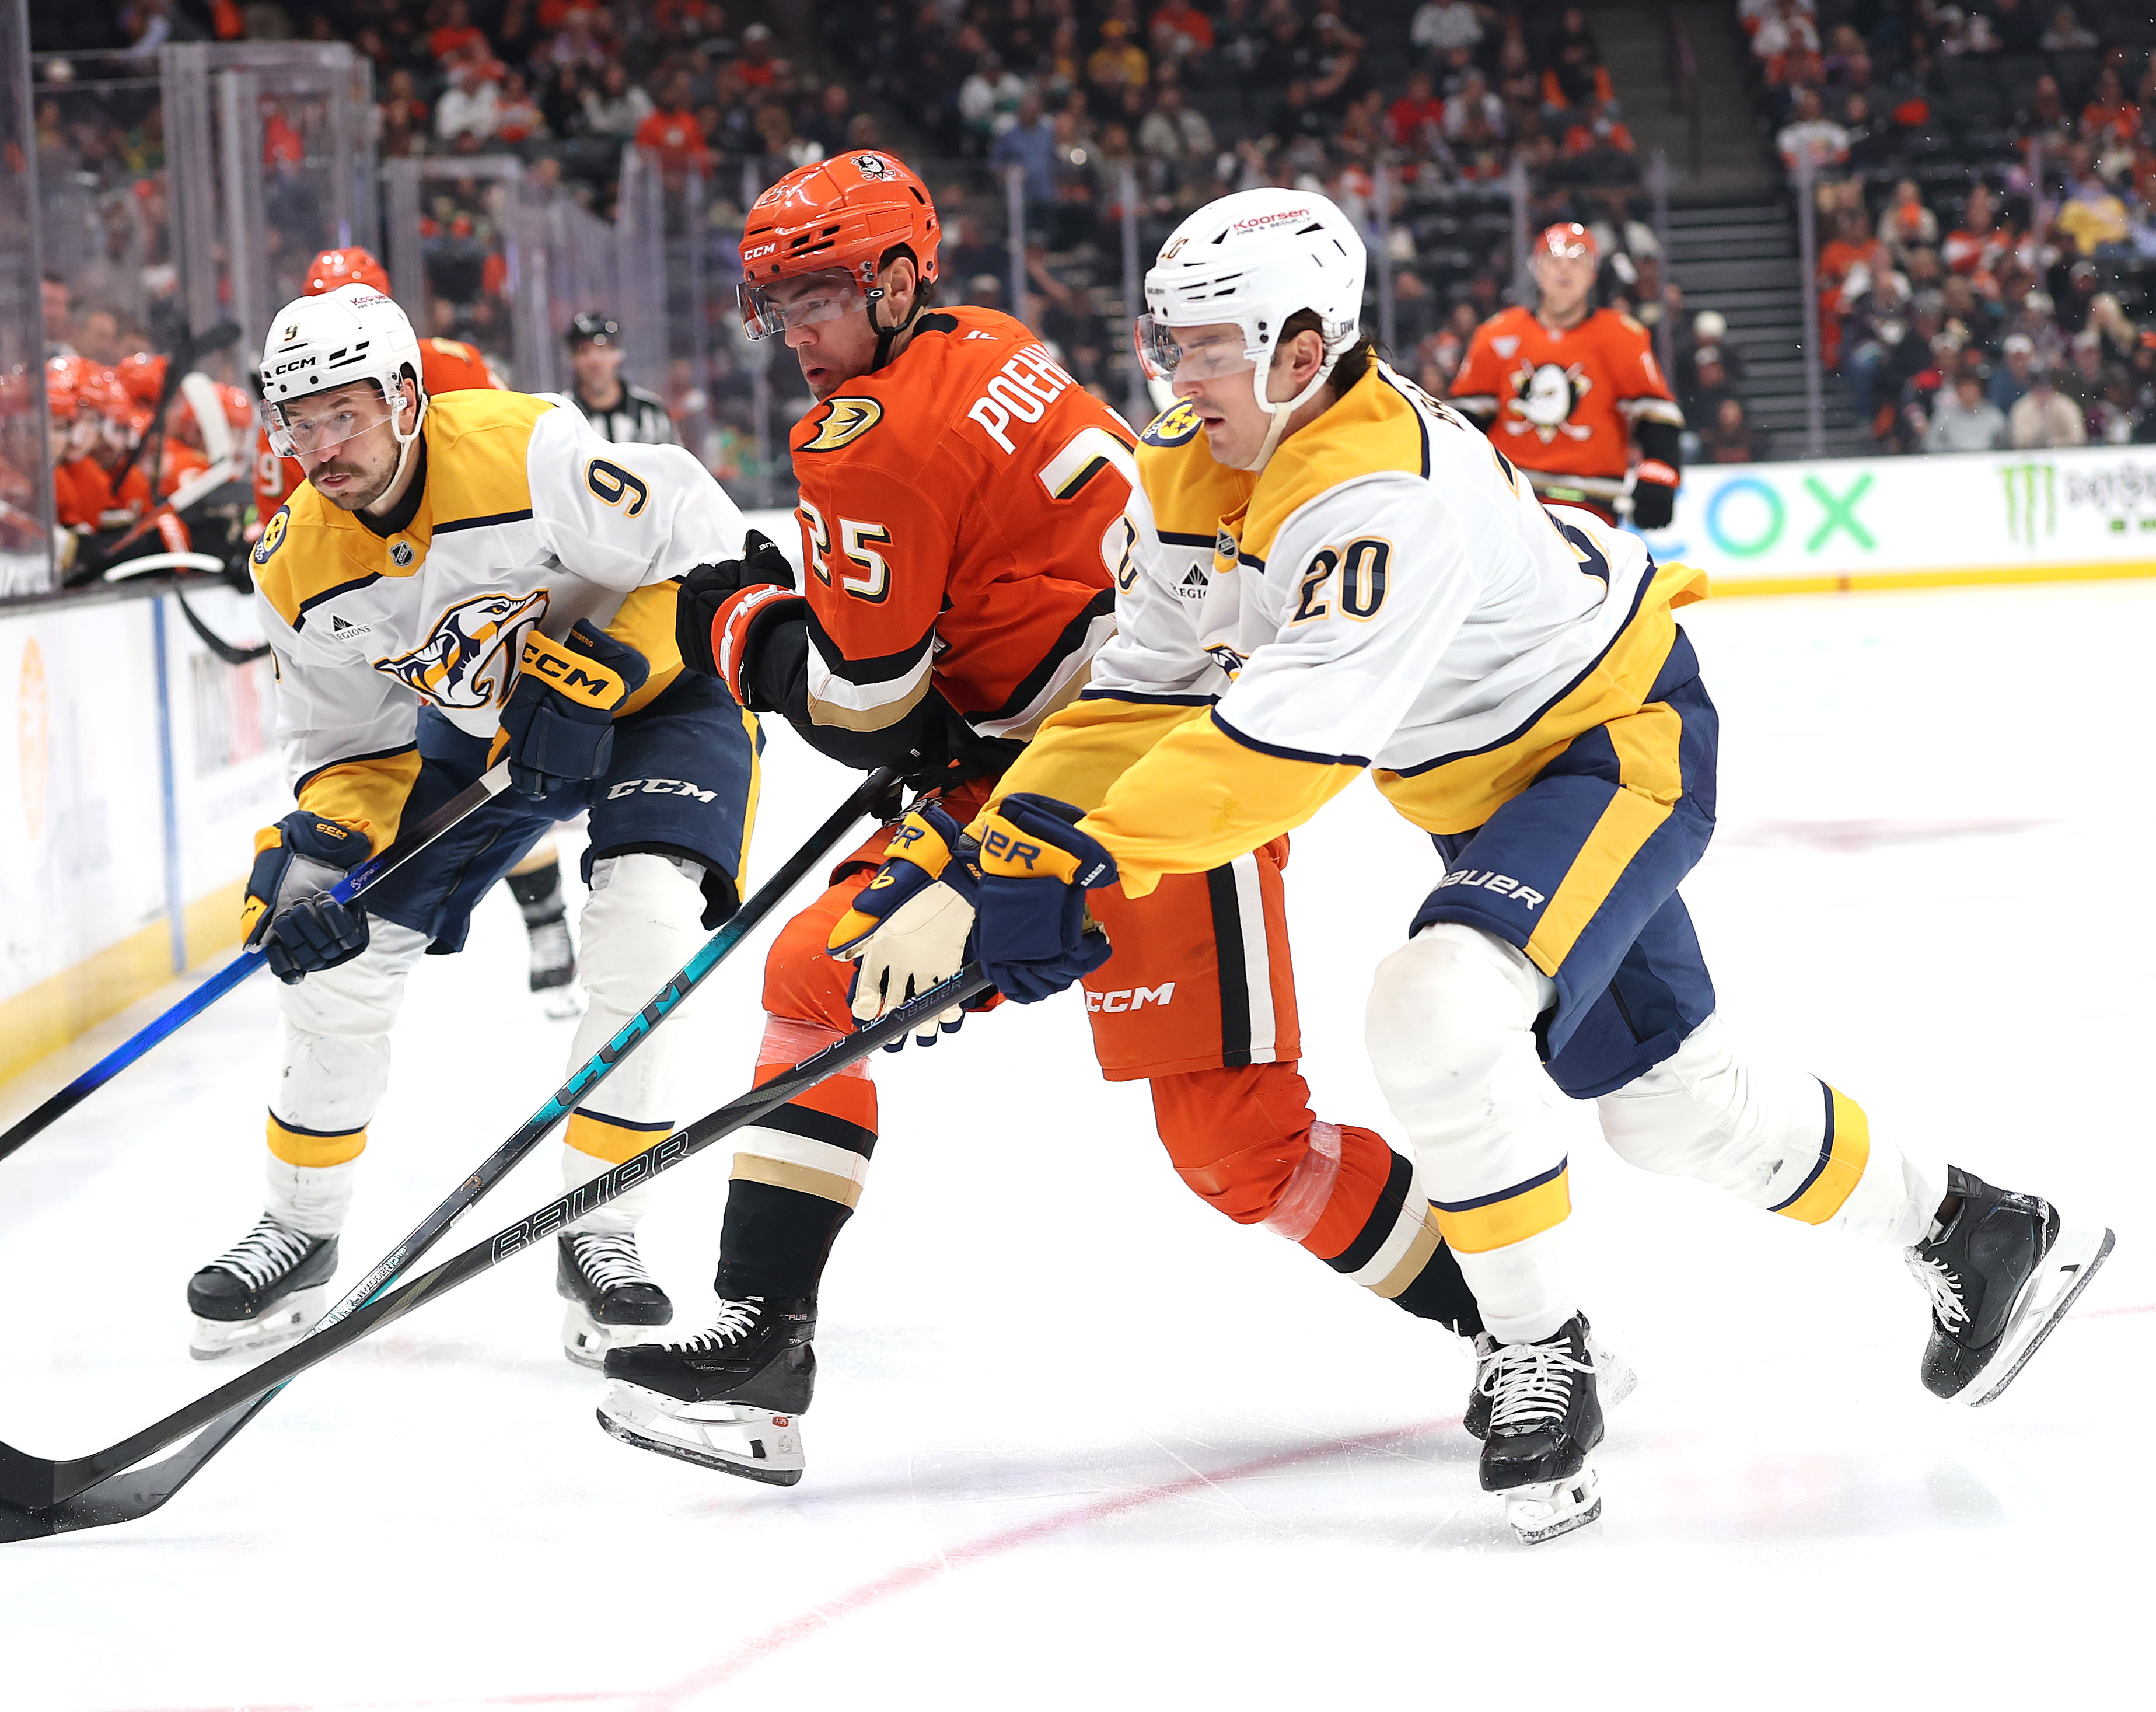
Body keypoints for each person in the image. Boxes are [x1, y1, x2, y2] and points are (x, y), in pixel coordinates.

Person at [937, 189, 2111, 1542]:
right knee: (1673, 1110)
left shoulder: (1376, 489)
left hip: (1608, 743)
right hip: (1490, 786)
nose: (1172, 374)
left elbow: (1280, 750)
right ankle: (1974, 1229)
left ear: (1301, 352)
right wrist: (1006, 851)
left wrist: (1087, 867)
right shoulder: (1193, 463)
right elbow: (1144, 689)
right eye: (1168, 343)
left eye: (1203, 347)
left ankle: (1542, 1351)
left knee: (1430, 1007)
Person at [599, 152, 1484, 1487]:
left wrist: (736, 620)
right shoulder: (989, 340)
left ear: (898, 281)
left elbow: (859, 706)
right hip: (1030, 765)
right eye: (776, 304)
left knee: (1238, 1146)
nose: (794, 332)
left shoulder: (864, 436)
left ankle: (1520, 1318)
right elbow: (993, 618)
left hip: (1161, 779)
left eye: (818, 297)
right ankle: (764, 1340)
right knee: (814, 979)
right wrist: (943, 715)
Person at [194, 282, 763, 1372]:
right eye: (298, 422)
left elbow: (706, 549)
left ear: (407, 397)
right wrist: (316, 856)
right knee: (338, 956)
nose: (322, 447)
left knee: (645, 924)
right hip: (493, 732)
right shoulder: (294, 563)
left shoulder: (525, 449)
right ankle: (300, 1228)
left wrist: (617, 666)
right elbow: (351, 751)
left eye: (344, 413)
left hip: (665, 697)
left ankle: (602, 1230)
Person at [1449, 221, 1685, 529]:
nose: (1565, 271)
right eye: (1555, 261)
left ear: (1592, 273)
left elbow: (1657, 416)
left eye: (1577, 262)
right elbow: (1464, 420)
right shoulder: (1496, 333)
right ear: (1537, 269)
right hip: (1511, 500)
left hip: (1594, 505)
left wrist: (1658, 475)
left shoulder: (1623, 336)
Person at [251, 246, 506, 530]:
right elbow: (277, 522)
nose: (326, 451)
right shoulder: (290, 414)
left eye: (344, 417)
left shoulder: (455, 365)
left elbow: (504, 451)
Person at [560, 312, 675, 445]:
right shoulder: (560, 414)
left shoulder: (650, 410)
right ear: (572, 360)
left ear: (618, 355)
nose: (594, 361)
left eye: (603, 350)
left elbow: (673, 456)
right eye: (584, 352)